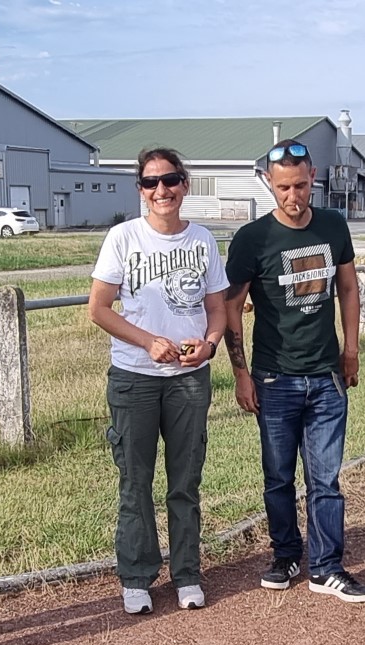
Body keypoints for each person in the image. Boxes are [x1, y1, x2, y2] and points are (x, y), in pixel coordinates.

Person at [223, 140, 365, 603]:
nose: (293, 196)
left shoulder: (333, 225)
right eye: (283, 187)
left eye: (301, 185)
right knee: (279, 477)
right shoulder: (252, 238)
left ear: (314, 179)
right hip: (274, 378)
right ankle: (285, 554)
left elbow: (347, 288)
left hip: (326, 377)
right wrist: (240, 372)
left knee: (325, 479)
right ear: (270, 184)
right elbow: (231, 306)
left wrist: (351, 349)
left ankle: (326, 566)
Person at [87, 148, 229, 615]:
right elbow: (100, 308)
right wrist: (149, 342)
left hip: (189, 379)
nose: (161, 191)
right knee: (136, 481)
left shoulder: (203, 240)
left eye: (170, 181)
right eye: (150, 183)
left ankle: (187, 573)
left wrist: (209, 344)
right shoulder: (123, 238)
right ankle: (136, 575)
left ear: (184, 185)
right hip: (136, 378)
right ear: (141, 191)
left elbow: (216, 307)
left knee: (185, 481)